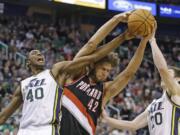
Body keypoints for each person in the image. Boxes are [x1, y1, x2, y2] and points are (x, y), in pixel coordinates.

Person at [0, 12, 133, 135]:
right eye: (33, 53)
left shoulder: (57, 73)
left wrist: (120, 34)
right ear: (27, 63)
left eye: (40, 52)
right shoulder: (23, 85)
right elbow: (4, 115)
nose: (38, 53)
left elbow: (92, 49)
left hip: (49, 130)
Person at [59, 23, 153, 135]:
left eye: (108, 71)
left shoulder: (105, 91)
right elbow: (90, 45)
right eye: (103, 69)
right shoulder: (76, 75)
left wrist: (143, 42)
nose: (106, 74)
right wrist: (118, 26)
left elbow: (129, 73)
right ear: (94, 65)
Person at [102, 23, 180, 135]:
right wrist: (106, 118)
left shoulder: (177, 93)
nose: (164, 76)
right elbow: (133, 125)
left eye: (169, 74)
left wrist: (152, 40)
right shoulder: (154, 104)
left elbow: (162, 69)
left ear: (177, 79)